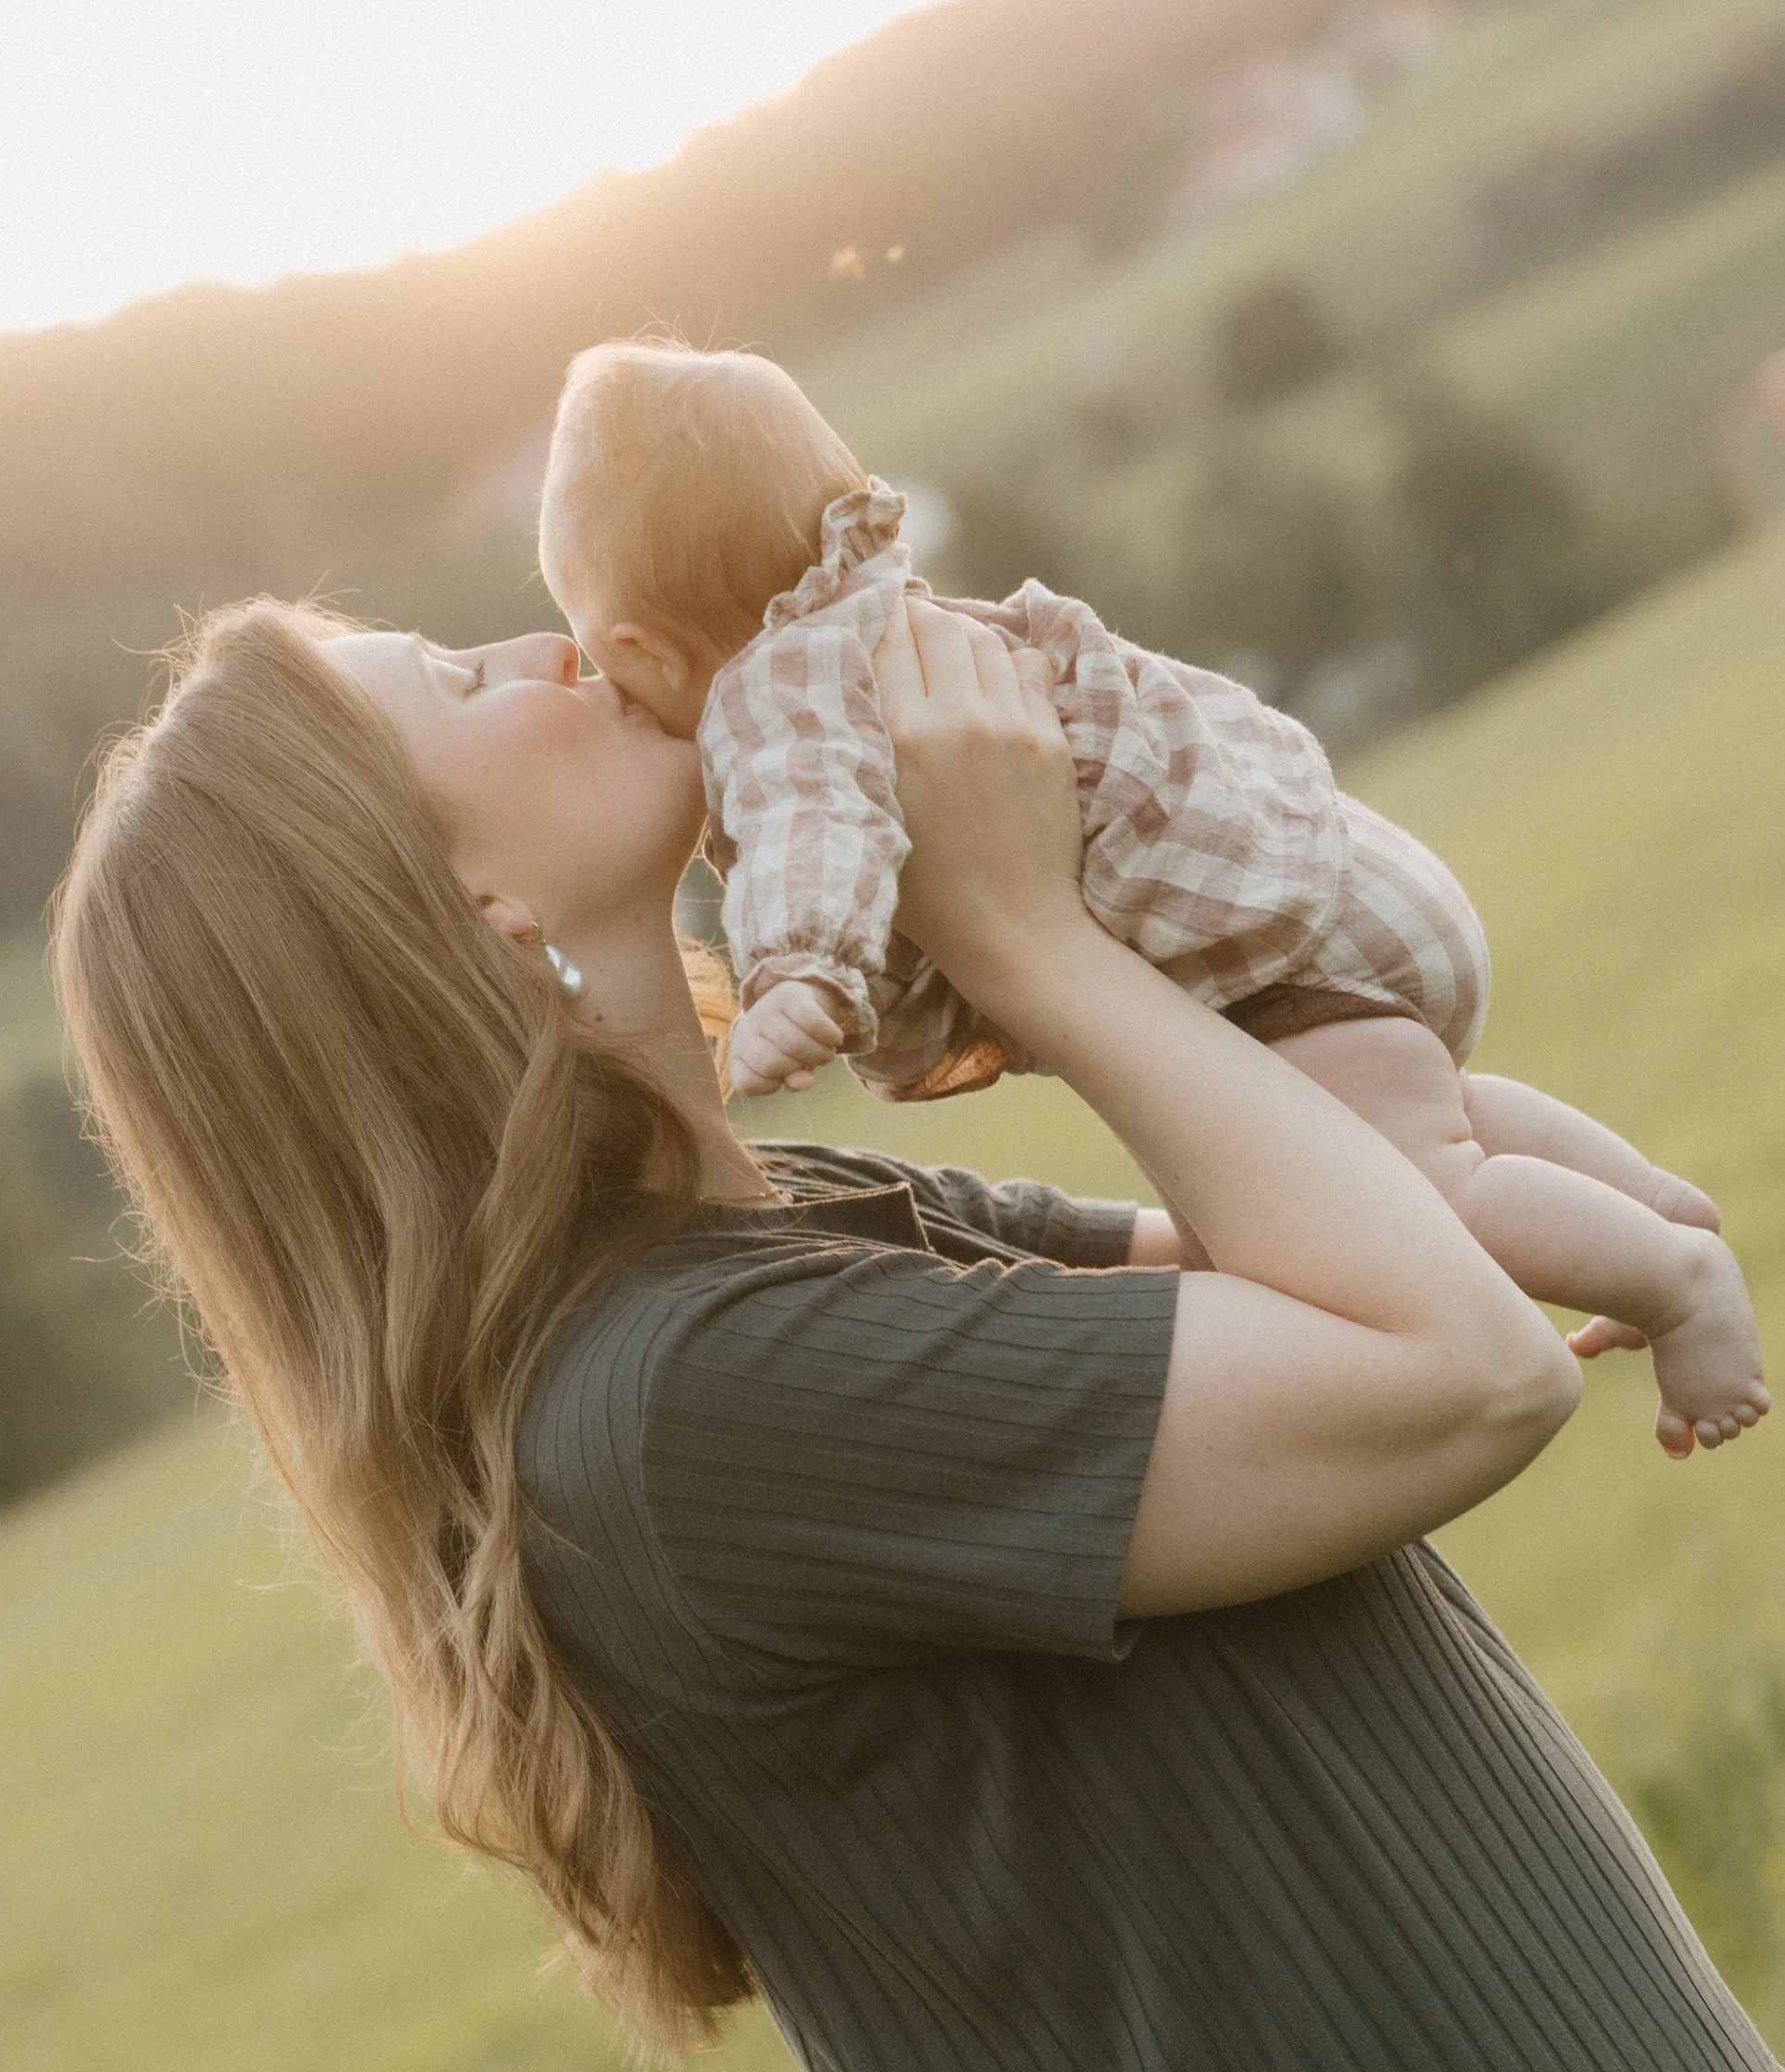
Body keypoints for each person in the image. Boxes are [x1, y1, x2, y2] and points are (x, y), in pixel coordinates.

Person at [52, 587, 1785, 2072]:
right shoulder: (678, 1412)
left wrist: (1102, 805)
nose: (535, 641)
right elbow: (1458, 1369)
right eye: (450, 682)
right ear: (466, 909)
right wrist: (1027, 945)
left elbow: (1380, 1214)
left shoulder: (797, 1231)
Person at [538, 338, 1770, 1461]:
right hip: (1340, 887)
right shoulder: (890, 598)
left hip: (1269, 967)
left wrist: (799, 975)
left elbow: (822, 830)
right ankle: (1655, 1203)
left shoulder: (779, 695)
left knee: (1419, 1190)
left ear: (645, 651)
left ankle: (1673, 1275)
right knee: (1438, 1117)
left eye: (592, 649)